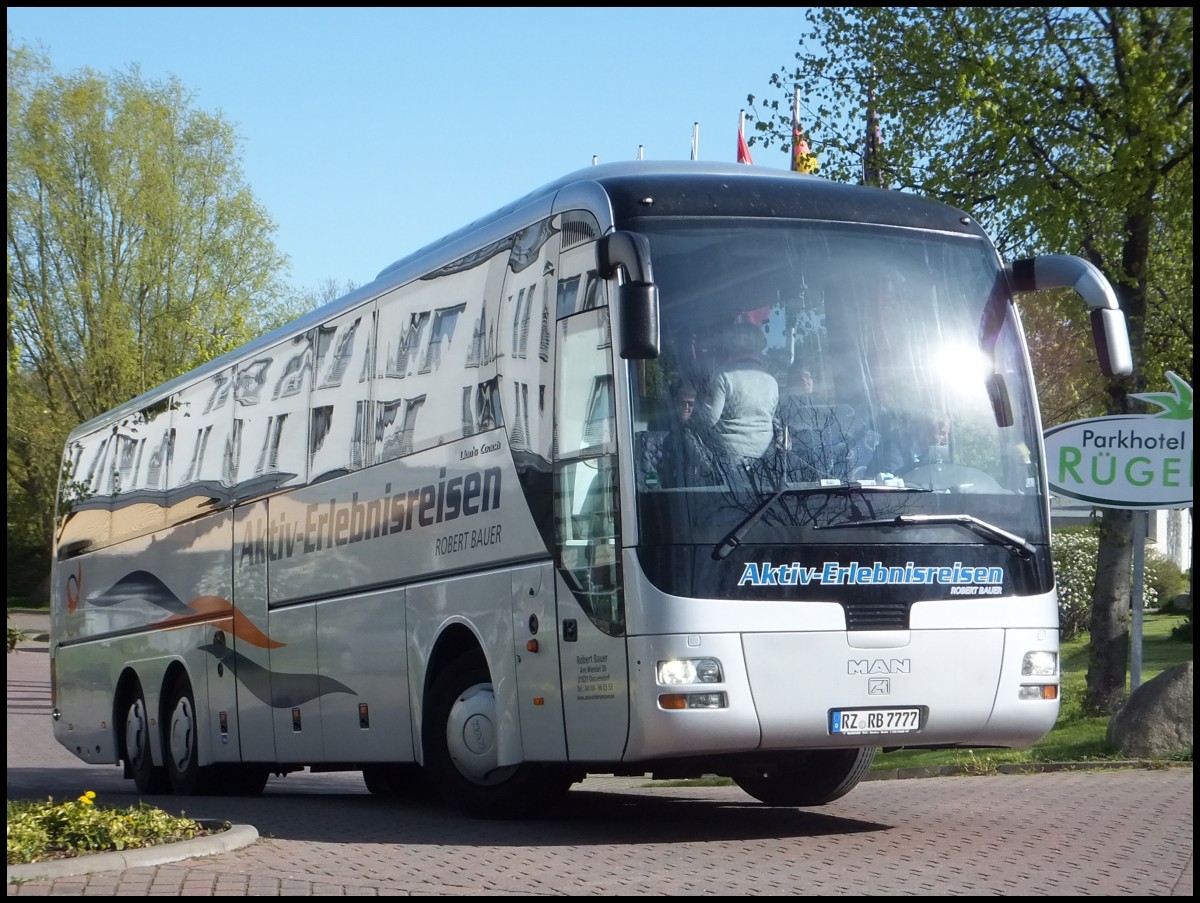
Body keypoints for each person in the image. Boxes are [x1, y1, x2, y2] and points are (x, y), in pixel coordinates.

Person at [690, 321, 779, 463]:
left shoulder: (724, 375)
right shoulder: (772, 381)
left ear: (733, 346)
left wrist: (693, 416)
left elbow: (709, 419)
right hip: (765, 458)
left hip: (728, 457)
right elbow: (771, 417)